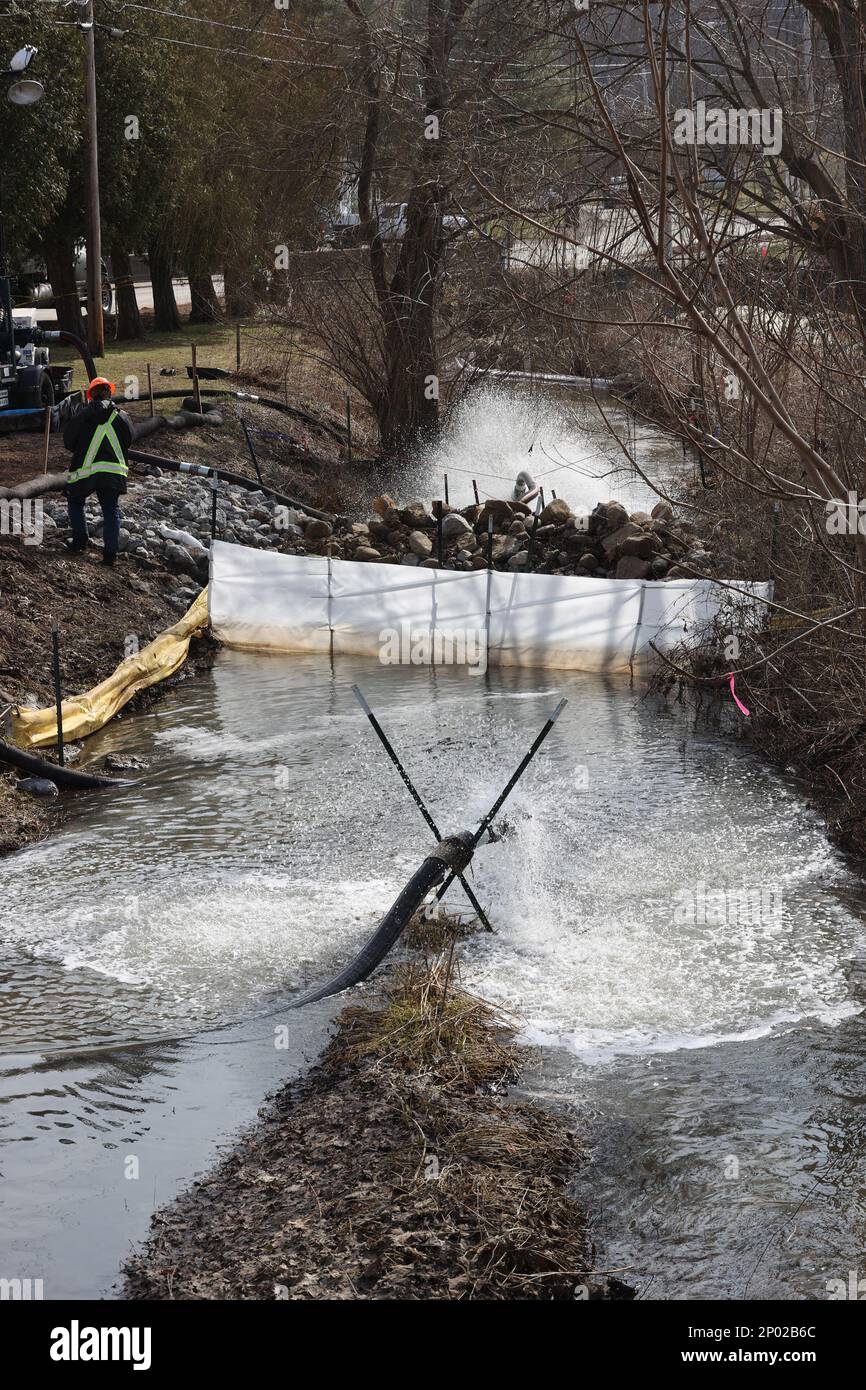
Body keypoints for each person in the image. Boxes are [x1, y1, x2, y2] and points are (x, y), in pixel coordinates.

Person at [62, 376, 133, 567]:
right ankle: (110, 555)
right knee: (111, 510)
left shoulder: (81, 415)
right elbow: (129, 440)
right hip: (113, 472)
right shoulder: (122, 416)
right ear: (109, 392)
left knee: (75, 501)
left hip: (85, 472)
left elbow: (68, 442)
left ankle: (79, 542)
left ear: (90, 395)